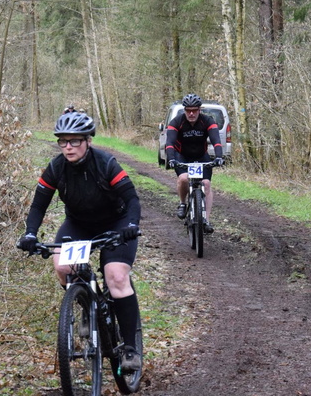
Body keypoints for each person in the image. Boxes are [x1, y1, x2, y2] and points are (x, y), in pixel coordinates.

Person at [16, 111, 143, 372]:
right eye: (63, 141)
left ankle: (130, 348)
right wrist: (30, 234)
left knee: (116, 276)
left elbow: (131, 199)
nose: (68, 147)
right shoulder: (56, 167)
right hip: (79, 224)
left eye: (74, 141)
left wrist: (131, 226)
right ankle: (86, 305)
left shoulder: (106, 164)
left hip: (115, 224)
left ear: (88, 141)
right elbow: (39, 205)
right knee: (63, 267)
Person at [164, 93, 224, 233]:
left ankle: (206, 221)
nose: (191, 113)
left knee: (206, 184)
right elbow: (170, 143)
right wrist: (171, 158)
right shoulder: (176, 122)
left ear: (199, 110)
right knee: (184, 179)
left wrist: (219, 157)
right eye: (188, 110)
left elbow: (216, 141)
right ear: (184, 110)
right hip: (181, 156)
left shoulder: (207, 121)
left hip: (201, 156)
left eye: (194, 110)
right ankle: (183, 204)